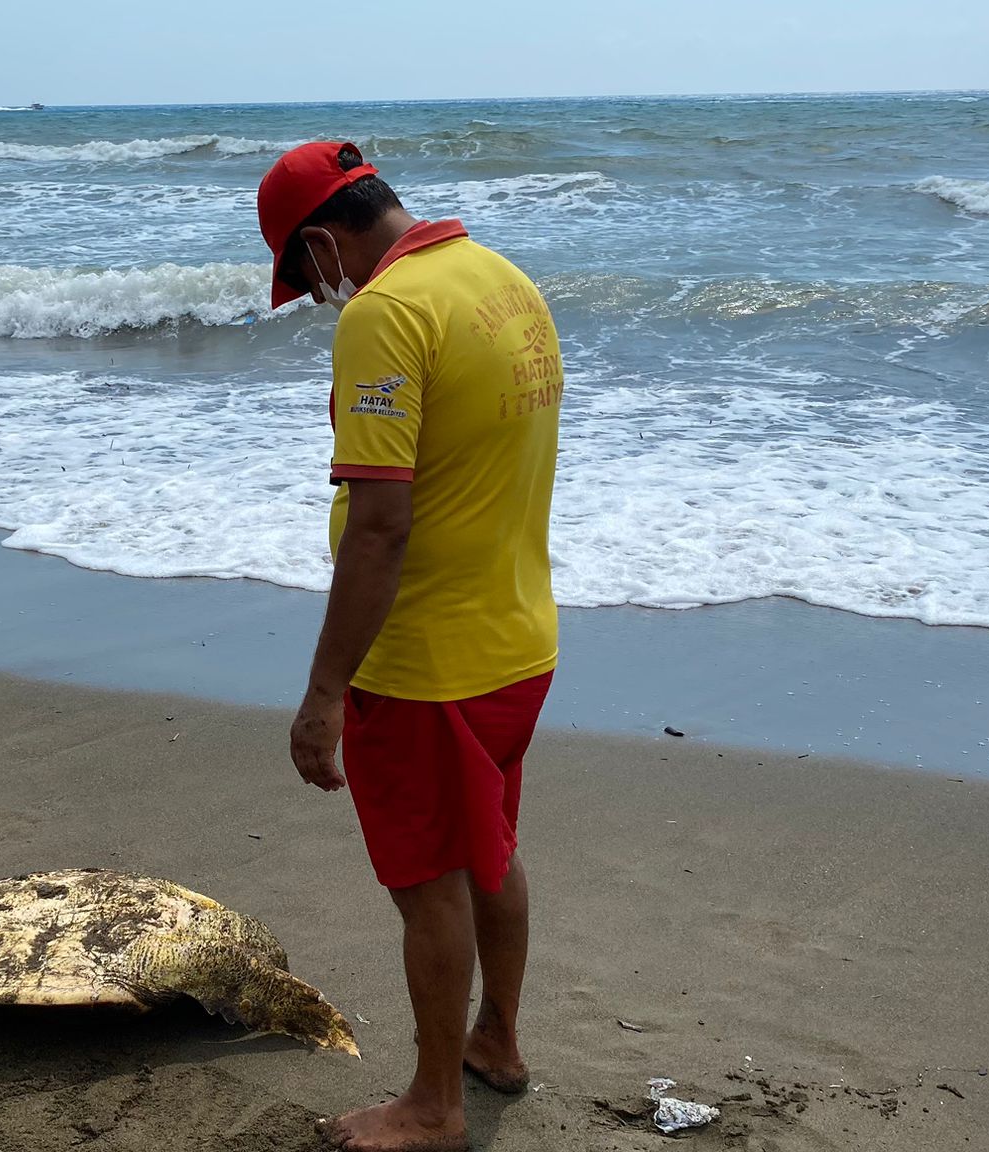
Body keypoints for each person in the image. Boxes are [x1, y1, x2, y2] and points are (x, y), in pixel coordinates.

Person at [257, 141, 563, 1152]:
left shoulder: (386, 314)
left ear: (320, 240)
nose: (311, 299)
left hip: (427, 661)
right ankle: (496, 1042)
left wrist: (322, 692)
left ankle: (433, 1106)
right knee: (488, 851)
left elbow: (381, 526)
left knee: (426, 876)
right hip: (515, 638)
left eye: (303, 277)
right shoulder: (496, 278)